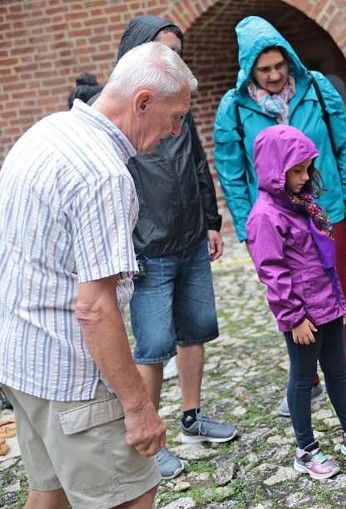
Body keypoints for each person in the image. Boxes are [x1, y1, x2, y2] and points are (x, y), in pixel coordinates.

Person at [0, 41, 195, 509]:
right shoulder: (103, 175)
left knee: (50, 496)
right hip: (71, 377)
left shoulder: (49, 130)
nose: (176, 131)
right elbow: (94, 307)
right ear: (142, 102)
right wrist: (138, 406)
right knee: (131, 496)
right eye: (176, 116)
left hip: (20, 360)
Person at [213, 15, 346, 416]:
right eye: (263, 69)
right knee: (290, 293)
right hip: (273, 219)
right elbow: (232, 173)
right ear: (249, 69)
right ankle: (309, 381)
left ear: (289, 60)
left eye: (279, 66)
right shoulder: (233, 108)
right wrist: (249, 229)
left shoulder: (316, 88)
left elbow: (344, 143)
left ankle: (344, 375)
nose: (273, 75)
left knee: (334, 293)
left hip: (324, 207)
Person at [114, 15, 238, 480]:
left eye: (177, 52)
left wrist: (210, 221)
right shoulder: (126, 112)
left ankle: (191, 418)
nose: (173, 61)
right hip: (149, 250)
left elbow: (197, 165)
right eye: (164, 51)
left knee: (196, 331)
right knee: (153, 347)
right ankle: (148, 440)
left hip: (190, 240)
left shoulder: (176, 109)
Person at [246, 124, 346, 479]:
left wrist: (339, 301)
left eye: (306, 169)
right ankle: (305, 449)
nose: (303, 177)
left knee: (336, 371)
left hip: (326, 306)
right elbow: (273, 273)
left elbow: (325, 259)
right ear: (274, 170)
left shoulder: (303, 206)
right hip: (303, 317)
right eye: (295, 170)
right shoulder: (265, 217)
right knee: (302, 378)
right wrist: (293, 317)